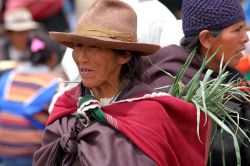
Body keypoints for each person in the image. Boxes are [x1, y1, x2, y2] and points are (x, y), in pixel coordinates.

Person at [33, 0, 210, 165]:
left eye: (93, 47)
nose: (81, 58)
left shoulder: (151, 115)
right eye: (78, 46)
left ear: (124, 55)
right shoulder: (66, 106)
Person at [145, 0, 250, 165]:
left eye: (244, 28)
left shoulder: (232, 78)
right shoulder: (172, 87)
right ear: (207, 38)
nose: (245, 38)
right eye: (237, 30)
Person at [0, 32, 61, 166]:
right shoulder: (54, 84)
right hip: (32, 156)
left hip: (3, 153)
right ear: (53, 58)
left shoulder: (7, 78)